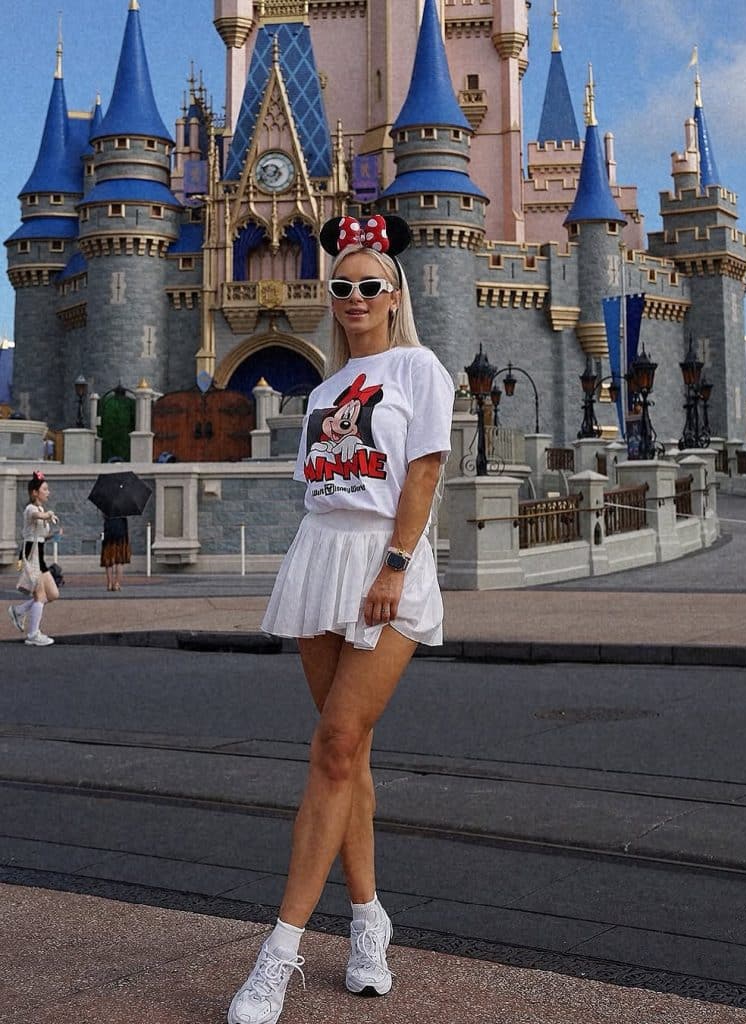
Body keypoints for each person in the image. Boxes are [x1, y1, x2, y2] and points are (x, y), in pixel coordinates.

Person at [227, 215, 455, 1024]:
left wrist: (396, 563)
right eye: (342, 287)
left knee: (332, 746)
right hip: (318, 558)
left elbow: (423, 472)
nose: (354, 297)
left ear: (394, 297)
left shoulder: (420, 369)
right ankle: (367, 924)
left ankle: (278, 953)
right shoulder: (322, 389)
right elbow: (317, 485)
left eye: (370, 286)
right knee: (345, 755)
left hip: (382, 563)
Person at [8, 470, 60, 646]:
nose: (48, 492)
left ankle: (19, 610)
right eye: (45, 489)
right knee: (40, 596)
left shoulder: (41, 509)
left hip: (40, 555)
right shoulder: (31, 509)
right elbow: (36, 516)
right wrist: (48, 515)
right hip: (31, 555)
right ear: (35, 493)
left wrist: (54, 535)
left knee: (53, 594)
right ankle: (33, 634)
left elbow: (41, 535)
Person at [100, 514, 130, 591]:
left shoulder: (107, 507)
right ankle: (117, 584)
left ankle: (109, 583)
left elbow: (104, 518)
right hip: (121, 533)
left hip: (108, 533)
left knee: (108, 559)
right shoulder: (123, 508)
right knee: (119, 560)